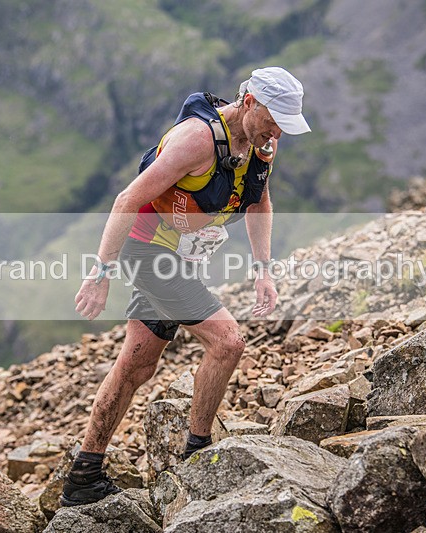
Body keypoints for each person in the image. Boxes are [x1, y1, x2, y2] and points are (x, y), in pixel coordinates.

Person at [60, 67, 311, 507]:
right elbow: (127, 200)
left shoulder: (262, 144)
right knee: (228, 343)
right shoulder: (196, 139)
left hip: (183, 257)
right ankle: (198, 456)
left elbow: (258, 202)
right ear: (249, 102)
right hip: (148, 253)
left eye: (285, 126)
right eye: (273, 120)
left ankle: (83, 476)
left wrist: (263, 269)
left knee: (137, 367)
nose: (276, 134)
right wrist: (100, 274)